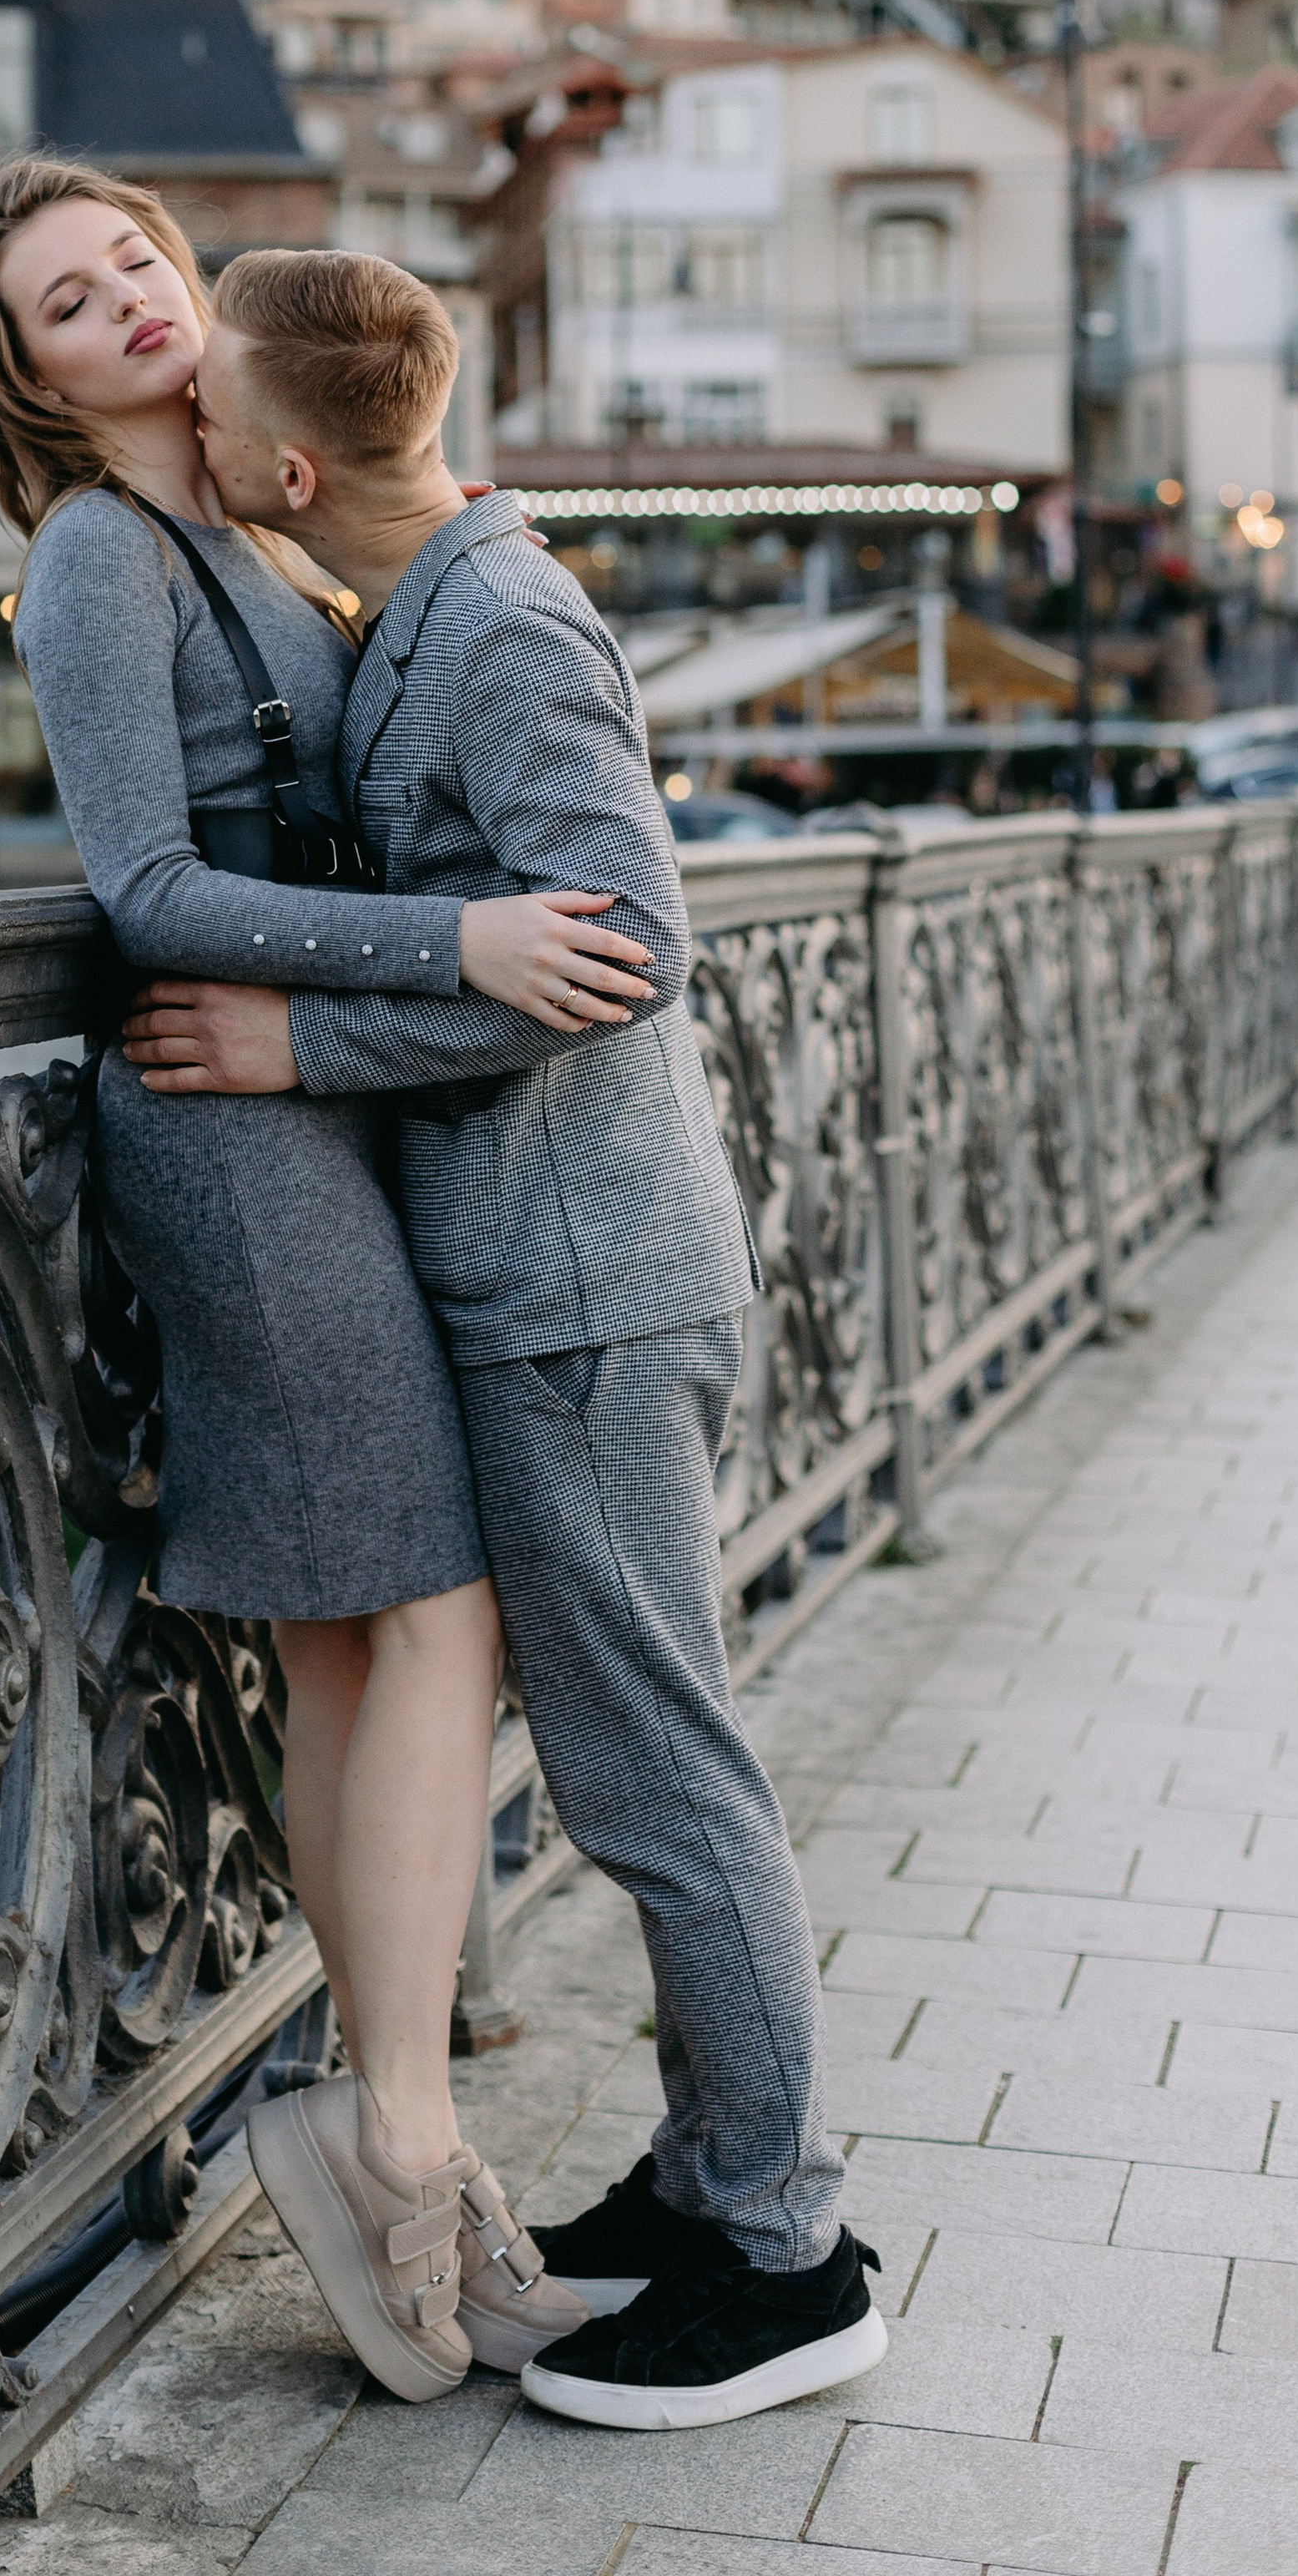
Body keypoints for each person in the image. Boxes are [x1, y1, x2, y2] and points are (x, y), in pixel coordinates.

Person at [123, 247, 886, 2432]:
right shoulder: (441, 601)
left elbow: (621, 943)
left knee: (661, 1777)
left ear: (282, 460)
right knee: (649, 1760)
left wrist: (297, 1039)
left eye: (210, 423)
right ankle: (715, 2172)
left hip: (587, 1293)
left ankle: (788, 2250)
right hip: (554, 1280)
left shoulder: (510, 626)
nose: (189, 440)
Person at [0, 157, 649, 2405]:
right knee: (433, 1604)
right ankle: (412, 2139)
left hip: (310, 1106)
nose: (132, 303)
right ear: (31, 376)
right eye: (73, 300)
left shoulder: (250, 519)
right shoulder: (94, 554)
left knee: (367, 1629)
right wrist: (455, 944)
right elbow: (147, 884)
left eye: (138, 260)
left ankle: (382, 2125)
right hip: (228, 1137)